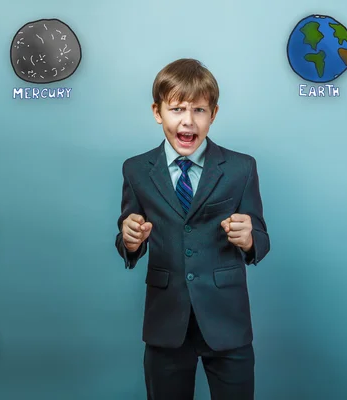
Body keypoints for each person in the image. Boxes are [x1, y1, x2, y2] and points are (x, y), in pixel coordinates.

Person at [115, 58, 270, 400]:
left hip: (227, 320)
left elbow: (260, 236)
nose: (188, 120)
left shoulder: (241, 168)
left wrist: (249, 240)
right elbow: (128, 234)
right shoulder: (136, 170)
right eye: (177, 109)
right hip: (166, 321)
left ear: (213, 114)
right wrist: (130, 239)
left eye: (199, 110)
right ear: (158, 112)